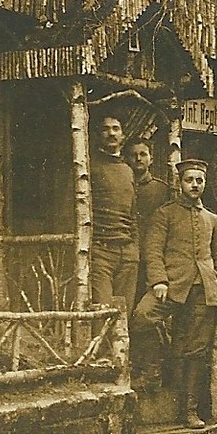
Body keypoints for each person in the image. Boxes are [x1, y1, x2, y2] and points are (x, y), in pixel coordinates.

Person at [134, 159, 217, 427]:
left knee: (195, 351)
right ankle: (153, 368)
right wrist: (159, 281)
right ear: (180, 183)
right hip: (171, 286)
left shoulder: (212, 219)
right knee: (142, 317)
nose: (195, 185)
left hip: (204, 291)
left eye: (199, 180)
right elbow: (152, 250)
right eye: (190, 180)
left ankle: (189, 410)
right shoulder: (164, 214)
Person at [88, 115, 138, 310]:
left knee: (125, 313)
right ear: (98, 135)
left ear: (123, 135)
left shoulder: (128, 170)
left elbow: (133, 215)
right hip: (101, 251)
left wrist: (134, 251)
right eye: (105, 129)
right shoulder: (89, 167)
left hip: (127, 253)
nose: (111, 133)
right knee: (103, 311)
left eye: (116, 129)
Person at [127, 136, 172, 298]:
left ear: (151, 159)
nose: (138, 158)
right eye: (133, 155)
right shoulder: (122, 186)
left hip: (152, 258)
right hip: (127, 255)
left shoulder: (161, 189)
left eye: (143, 154)